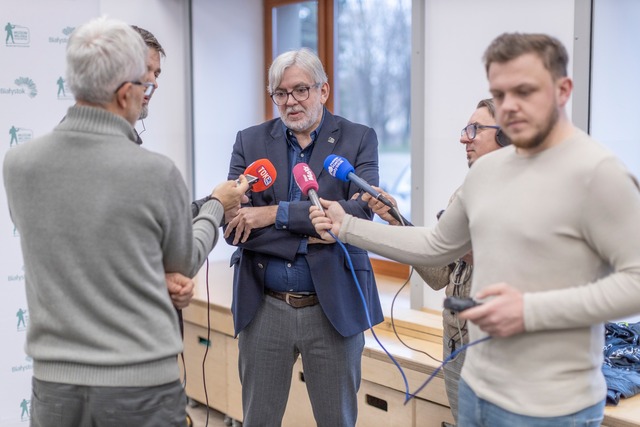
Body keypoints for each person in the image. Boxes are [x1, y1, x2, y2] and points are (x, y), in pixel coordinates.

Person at [310, 32, 640, 426]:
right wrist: (345, 226)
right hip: (477, 390)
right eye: (500, 94)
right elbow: (435, 247)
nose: (511, 106)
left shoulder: (598, 174)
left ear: (563, 90)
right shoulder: (484, 174)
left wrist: (531, 310)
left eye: (524, 90)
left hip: (552, 406)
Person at [2, 16, 249, 426]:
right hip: (140, 389)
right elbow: (183, 262)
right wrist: (216, 208)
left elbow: (79, 242)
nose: (147, 95)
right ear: (123, 94)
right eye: (145, 85)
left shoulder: (18, 165)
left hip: (53, 390)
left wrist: (148, 271)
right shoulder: (155, 172)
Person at [223, 47, 383, 426]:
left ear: (323, 90)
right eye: (280, 93)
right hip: (264, 306)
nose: (290, 102)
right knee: (258, 420)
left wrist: (271, 214)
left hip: (333, 308)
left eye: (300, 90)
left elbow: (359, 214)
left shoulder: (359, 139)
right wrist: (307, 235)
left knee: (336, 420)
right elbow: (234, 226)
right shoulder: (250, 142)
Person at [362, 98, 509, 425]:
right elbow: (439, 273)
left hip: (498, 353)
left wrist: (470, 249)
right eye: (465, 129)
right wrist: (397, 220)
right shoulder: (463, 193)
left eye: (475, 129)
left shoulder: (527, 195)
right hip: (456, 344)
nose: (463, 138)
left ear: (507, 136)